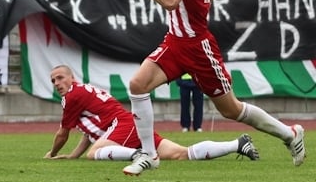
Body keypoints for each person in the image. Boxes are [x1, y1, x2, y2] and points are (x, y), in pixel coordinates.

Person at [117, 0, 306, 176]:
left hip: (197, 47)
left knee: (231, 109)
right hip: (175, 42)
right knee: (137, 85)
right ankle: (149, 154)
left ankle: (289, 134)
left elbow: (170, 1)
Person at [43, 65, 258, 161]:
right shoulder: (81, 91)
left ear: (71, 77)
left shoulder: (72, 96)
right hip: (126, 126)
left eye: (60, 77)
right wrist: (72, 156)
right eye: (53, 80)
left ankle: (140, 155)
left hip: (123, 126)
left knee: (94, 154)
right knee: (182, 154)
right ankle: (237, 144)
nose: (57, 82)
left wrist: (51, 154)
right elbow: (89, 133)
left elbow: (63, 133)